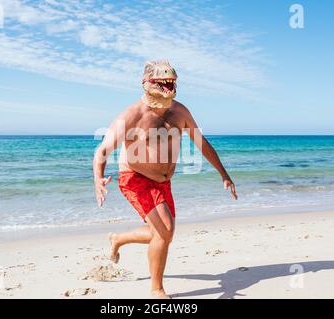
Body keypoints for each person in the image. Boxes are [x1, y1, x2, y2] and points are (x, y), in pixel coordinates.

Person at [93, 60, 237, 299]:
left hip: (163, 181)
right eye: (161, 81)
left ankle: (118, 239)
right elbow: (102, 150)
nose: (169, 84)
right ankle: (156, 290)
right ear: (146, 83)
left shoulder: (180, 112)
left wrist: (224, 174)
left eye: (170, 81)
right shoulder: (132, 116)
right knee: (166, 230)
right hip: (135, 178)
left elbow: (201, 144)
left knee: (161, 232)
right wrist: (98, 179)